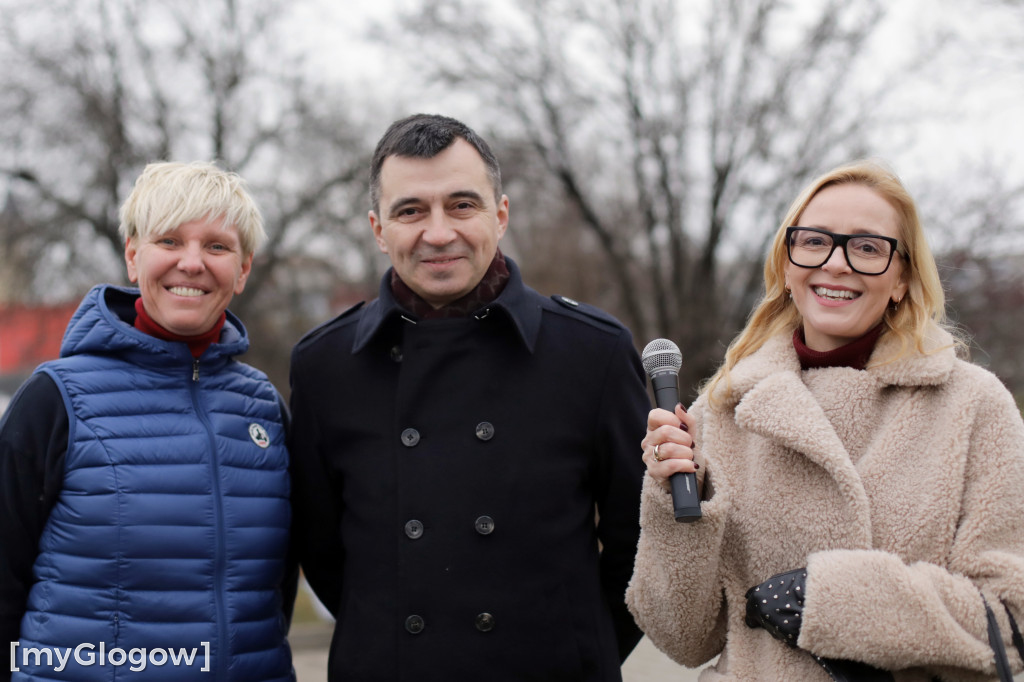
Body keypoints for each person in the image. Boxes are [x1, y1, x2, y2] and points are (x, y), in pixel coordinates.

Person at [626, 160, 1024, 681]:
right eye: (814, 241)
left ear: (902, 277)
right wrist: (675, 503)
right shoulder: (724, 411)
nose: (836, 264)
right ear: (788, 266)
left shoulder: (973, 407)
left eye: (866, 248)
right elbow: (681, 638)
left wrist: (830, 601)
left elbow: (1011, 622)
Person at [288, 113, 649, 681]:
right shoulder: (324, 366)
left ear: (500, 216)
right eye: (410, 210)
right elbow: (326, 556)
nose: (438, 232)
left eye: (462, 205)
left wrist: (580, 647)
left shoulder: (592, 352)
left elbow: (639, 543)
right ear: (378, 230)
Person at [0, 161, 294, 681]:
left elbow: (275, 596)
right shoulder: (57, 400)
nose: (192, 263)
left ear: (244, 269)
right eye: (169, 241)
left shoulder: (265, 410)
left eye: (218, 247)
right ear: (134, 257)